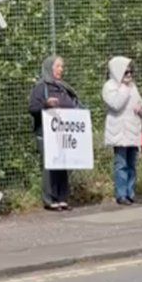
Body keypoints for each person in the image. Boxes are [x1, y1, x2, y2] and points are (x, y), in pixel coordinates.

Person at [29, 55, 81, 211]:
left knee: (63, 166)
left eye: (62, 67)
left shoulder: (64, 88)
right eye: (58, 66)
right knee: (50, 166)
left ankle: (63, 197)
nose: (61, 70)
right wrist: (46, 104)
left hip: (63, 134)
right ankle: (50, 199)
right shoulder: (40, 88)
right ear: (49, 68)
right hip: (46, 134)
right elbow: (33, 109)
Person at [102, 56, 142, 205]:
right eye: (126, 72)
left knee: (132, 164)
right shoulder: (110, 87)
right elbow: (116, 104)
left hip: (133, 130)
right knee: (121, 164)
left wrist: (141, 109)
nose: (129, 75)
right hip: (119, 131)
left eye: (131, 72)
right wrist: (124, 89)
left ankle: (131, 193)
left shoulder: (133, 87)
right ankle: (121, 194)